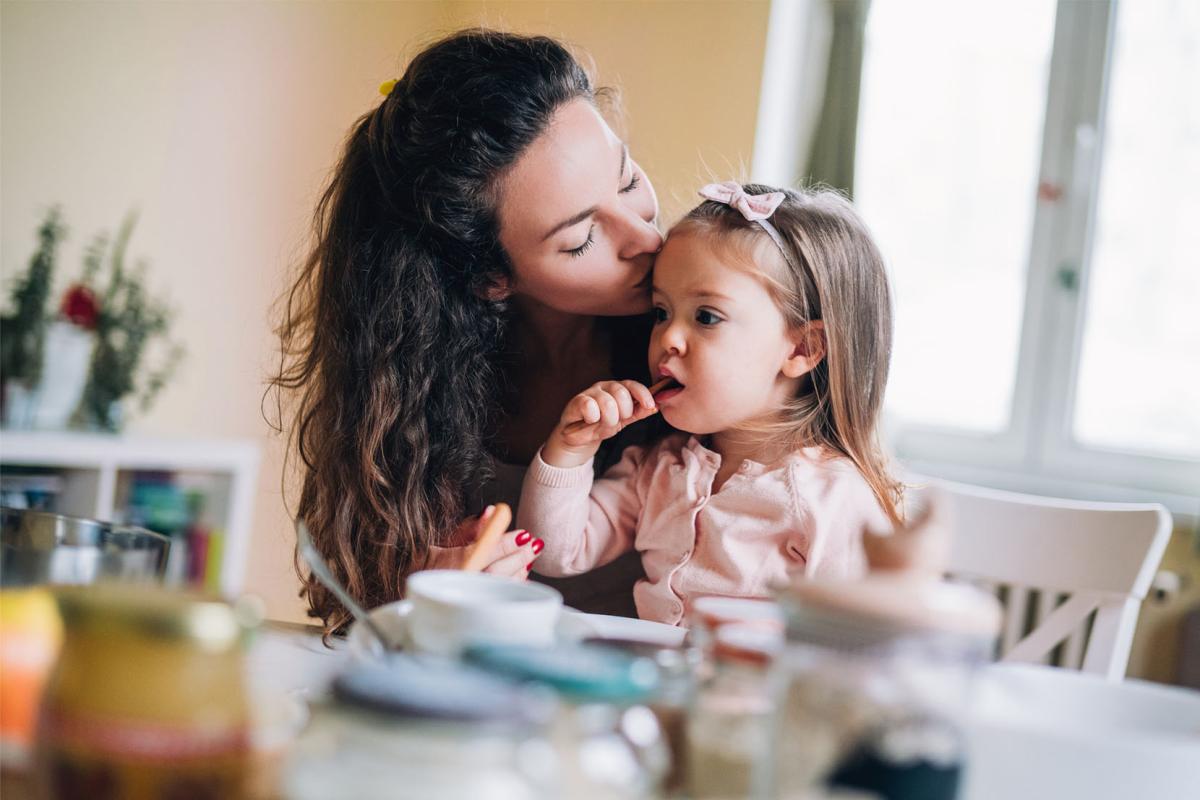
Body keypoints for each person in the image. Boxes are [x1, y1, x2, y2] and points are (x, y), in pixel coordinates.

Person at [271, 29, 664, 634]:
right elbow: (358, 604)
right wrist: (417, 584)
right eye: (582, 238)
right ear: (491, 278)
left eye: (628, 178)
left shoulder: (719, 330)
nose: (646, 237)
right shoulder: (416, 382)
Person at [517, 182, 904, 625]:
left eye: (706, 317)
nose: (668, 339)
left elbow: (852, 645)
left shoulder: (832, 498)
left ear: (801, 350)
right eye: (662, 312)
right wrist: (569, 452)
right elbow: (552, 554)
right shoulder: (659, 470)